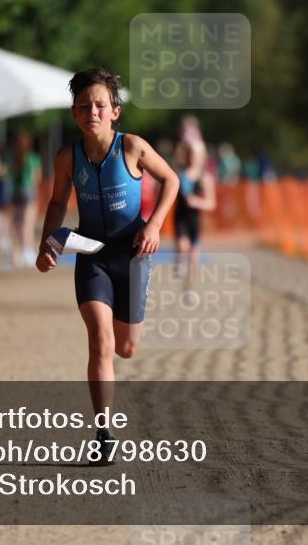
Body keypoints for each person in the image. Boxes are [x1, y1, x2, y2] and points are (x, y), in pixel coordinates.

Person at [35, 67, 179, 464]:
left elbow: (171, 181)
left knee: (127, 348)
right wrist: (47, 245)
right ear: (74, 114)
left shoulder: (132, 147)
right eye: (83, 106)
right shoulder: (68, 157)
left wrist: (154, 226)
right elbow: (56, 204)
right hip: (92, 256)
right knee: (101, 339)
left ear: (114, 111)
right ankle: (104, 433)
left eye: (100, 105)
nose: (92, 112)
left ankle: (107, 418)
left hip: (132, 254)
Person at [175, 139, 217, 292]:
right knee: (182, 245)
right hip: (181, 217)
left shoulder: (205, 178)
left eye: (197, 155)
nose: (194, 158)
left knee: (194, 256)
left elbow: (211, 203)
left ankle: (189, 289)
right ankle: (179, 263)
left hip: (195, 219)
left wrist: (196, 202)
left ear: (202, 158)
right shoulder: (180, 175)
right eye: (191, 155)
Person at [8, 132, 41, 268]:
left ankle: (18, 252)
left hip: (15, 192)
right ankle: (28, 252)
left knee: (16, 224)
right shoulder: (33, 158)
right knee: (28, 224)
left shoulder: (13, 158)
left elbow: (9, 174)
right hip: (28, 192)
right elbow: (37, 177)